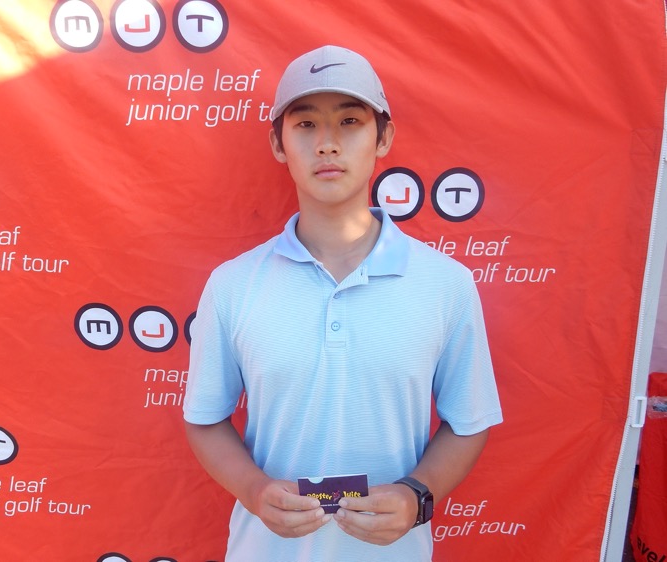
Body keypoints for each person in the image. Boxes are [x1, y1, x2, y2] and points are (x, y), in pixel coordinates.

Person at [183, 45, 503, 561]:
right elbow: (205, 418)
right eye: (305, 124)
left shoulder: (446, 284)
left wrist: (417, 495)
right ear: (278, 143)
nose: (327, 143)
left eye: (350, 121)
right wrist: (253, 490)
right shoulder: (233, 285)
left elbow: (470, 421)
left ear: (384, 137)